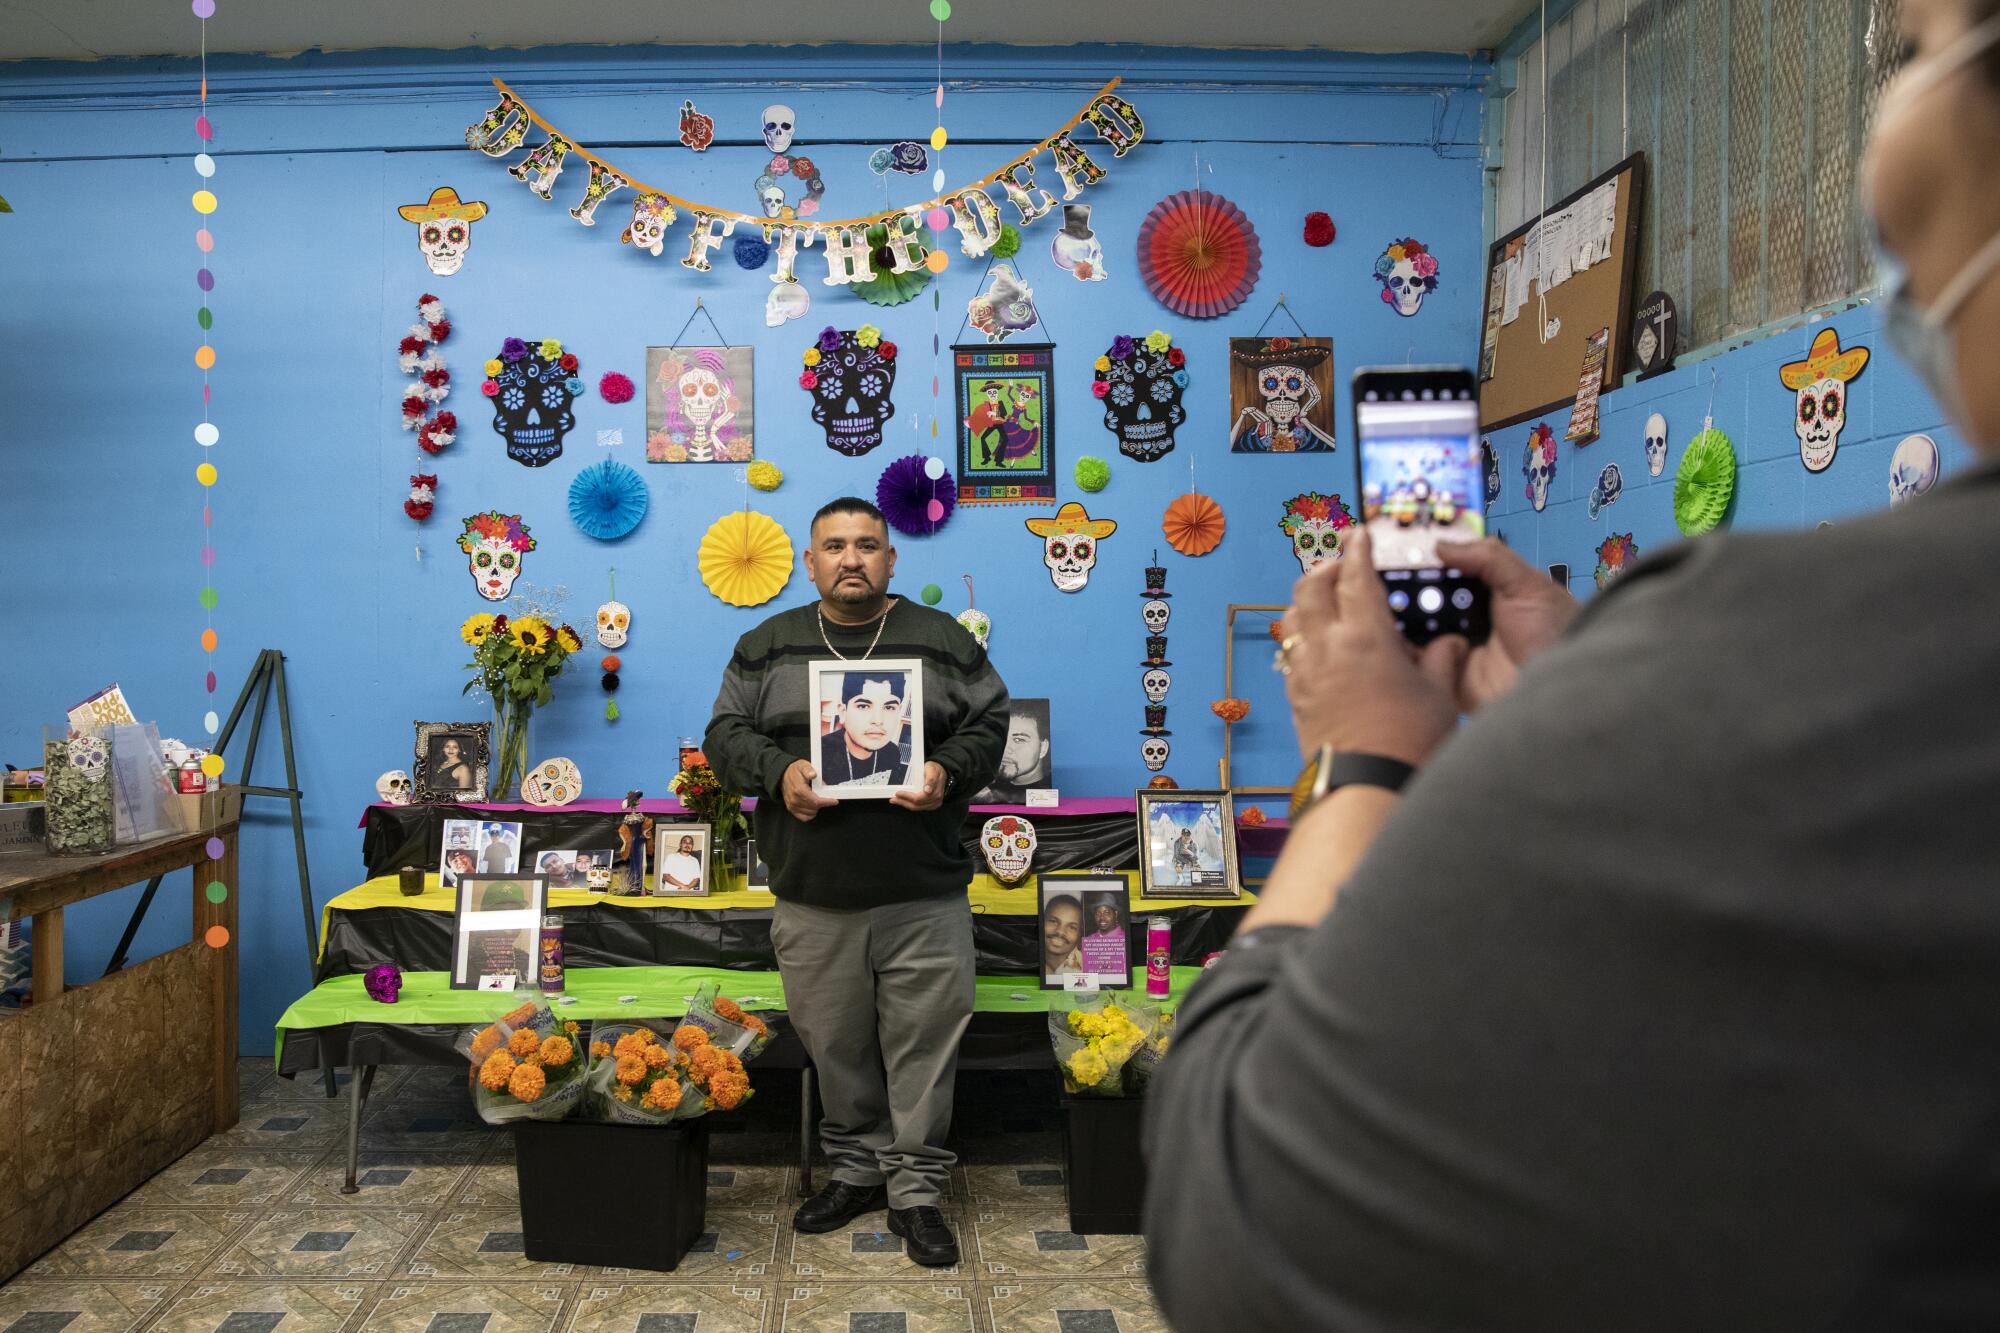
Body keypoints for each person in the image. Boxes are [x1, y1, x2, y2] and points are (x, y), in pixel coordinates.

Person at [1144, 7, 2000, 1325]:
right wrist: (1585, 704)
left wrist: (1363, 756)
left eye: (1902, 53)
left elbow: (1240, 1215)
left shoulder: (1784, 639)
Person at [705, 495, 1009, 1267]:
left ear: (891, 559)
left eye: (867, 544)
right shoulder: (765, 645)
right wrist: (779, 774)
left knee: (923, 1047)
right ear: (810, 562)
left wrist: (945, 769)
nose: (851, 557)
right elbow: (722, 733)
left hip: (924, 891)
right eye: (834, 545)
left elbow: (991, 722)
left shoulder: (941, 639)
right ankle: (855, 1166)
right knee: (836, 1044)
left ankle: (915, 1189)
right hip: (813, 892)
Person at [817, 671, 911, 789]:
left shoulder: (892, 752)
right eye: (863, 706)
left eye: (889, 707)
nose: (878, 720)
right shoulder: (820, 753)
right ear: (842, 712)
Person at [973, 703, 1050, 803]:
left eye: (1019, 740)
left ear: (1043, 748)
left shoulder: (1045, 795)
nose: (1004, 749)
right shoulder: (984, 790)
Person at [1041, 894, 1083, 977]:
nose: (1060, 931)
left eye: (1072, 927)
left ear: (1079, 936)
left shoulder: (1086, 969)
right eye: (1053, 921)